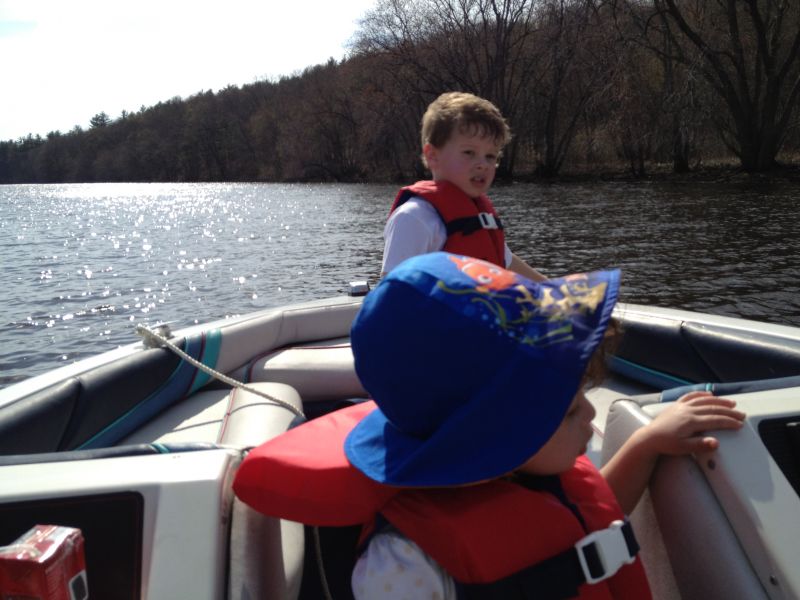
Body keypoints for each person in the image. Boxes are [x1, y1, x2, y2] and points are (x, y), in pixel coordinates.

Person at [231, 252, 746, 599]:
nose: (592, 417)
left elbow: (588, 530)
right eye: (570, 411)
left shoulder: (528, 467)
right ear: (491, 436)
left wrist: (646, 443)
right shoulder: (404, 563)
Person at [381, 91, 547, 281]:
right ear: (432, 156)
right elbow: (393, 291)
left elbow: (509, 264)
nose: (483, 164)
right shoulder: (414, 218)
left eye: (490, 156)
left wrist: (557, 291)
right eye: (469, 152)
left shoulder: (481, 219)